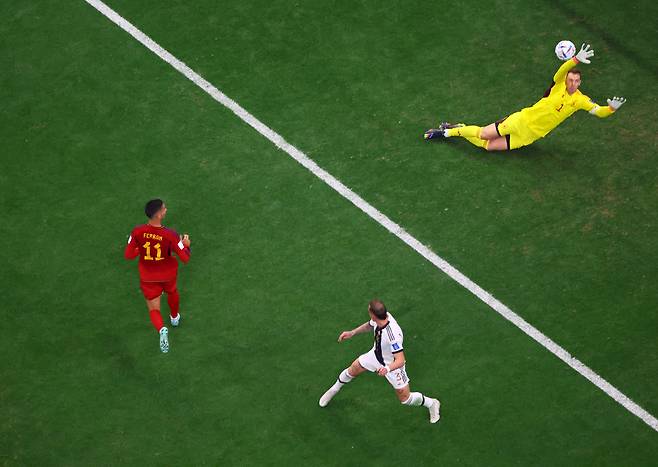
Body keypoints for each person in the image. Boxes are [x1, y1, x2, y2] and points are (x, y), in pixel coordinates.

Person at [424, 44, 626, 151]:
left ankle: (459, 127)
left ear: (580, 83)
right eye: (570, 79)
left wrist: (611, 109)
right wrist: (574, 60)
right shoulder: (557, 86)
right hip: (521, 121)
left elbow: (599, 112)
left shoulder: (581, 100)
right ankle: (446, 134)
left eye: (576, 81)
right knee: (484, 135)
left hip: (531, 135)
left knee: (488, 146)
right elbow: (562, 70)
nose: (572, 82)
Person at [319, 299, 441, 424]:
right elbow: (369, 325)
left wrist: (387, 369)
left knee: (405, 398)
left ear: (373, 314)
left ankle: (432, 403)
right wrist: (352, 332)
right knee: (353, 368)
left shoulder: (392, 335)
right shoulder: (380, 318)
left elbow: (400, 360)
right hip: (376, 355)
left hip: (393, 366)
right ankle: (333, 390)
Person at [124, 199, 191, 353]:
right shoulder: (171, 235)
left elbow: (128, 255)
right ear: (159, 215)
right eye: (164, 208)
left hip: (148, 277)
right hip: (168, 275)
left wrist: (141, 250)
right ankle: (174, 318)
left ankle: (161, 329)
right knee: (172, 292)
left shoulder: (137, 232)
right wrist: (186, 244)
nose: (166, 210)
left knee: (154, 308)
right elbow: (185, 258)